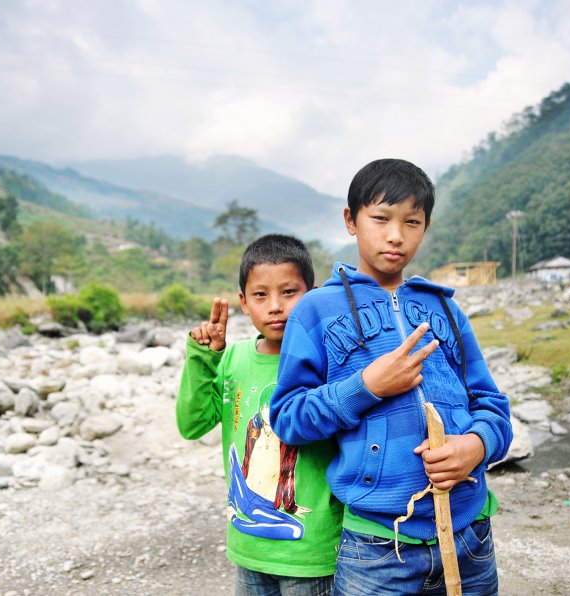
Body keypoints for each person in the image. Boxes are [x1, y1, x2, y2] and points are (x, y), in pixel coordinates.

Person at [269, 159, 513, 595]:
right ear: (351, 220)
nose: (396, 235)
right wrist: (367, 387)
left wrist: (476, 446)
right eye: (380, 218)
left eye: (412, 222)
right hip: (376, 548)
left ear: (426, 226)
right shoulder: (315, 311)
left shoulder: (447, 311)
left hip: (469, 538)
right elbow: (288, 417)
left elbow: (492, 406)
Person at [176, 234, 343, 596]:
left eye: (289, 292)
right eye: (261, 295)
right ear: (243, 302)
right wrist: (203, 360)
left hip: (312, 553)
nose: (275, 307)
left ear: (311, 295)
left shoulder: (328, 361)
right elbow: (192, 425)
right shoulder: (234, 359)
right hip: (248, 546)